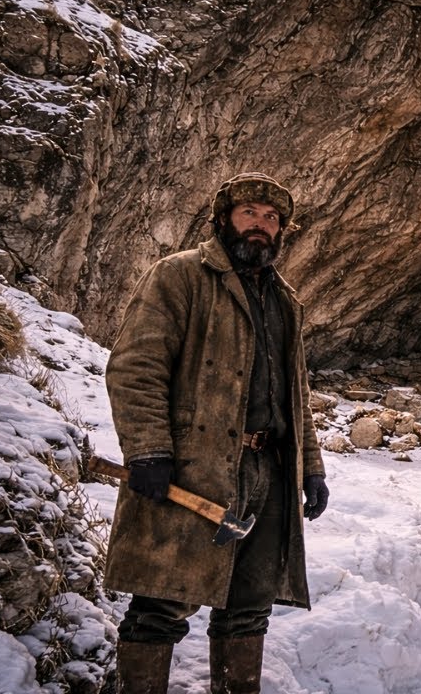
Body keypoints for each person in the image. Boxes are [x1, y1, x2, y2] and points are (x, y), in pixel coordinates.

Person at [104, 172, 330, 693]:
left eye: (271, 218)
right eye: (249, 212)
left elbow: (295, 396)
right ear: (224, 219)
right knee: (161, 603)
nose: (261, 224)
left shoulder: (284, 299)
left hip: (268, 470)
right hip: (194, 466)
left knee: (249, 606)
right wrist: (148, 450)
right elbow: (136, 366)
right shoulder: (180, 275)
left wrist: (311, 468)